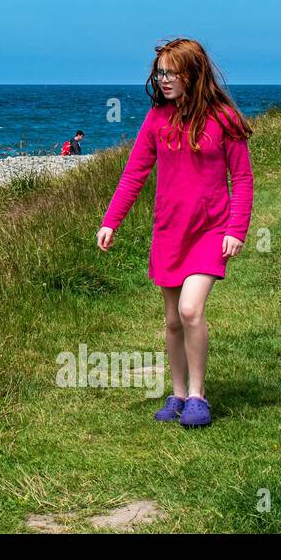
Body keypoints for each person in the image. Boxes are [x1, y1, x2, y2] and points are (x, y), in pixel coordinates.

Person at [95, 38, 254, 428]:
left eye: (172, 72)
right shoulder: (156, 119)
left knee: (190, 310)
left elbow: (244, 178)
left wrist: (237, 229)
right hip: (169, 233)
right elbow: (135, 174)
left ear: (193, 73)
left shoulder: (224, 119)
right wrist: (110, 220)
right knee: (171, 320)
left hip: (209, 232)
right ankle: (178, 394)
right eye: (160, 72)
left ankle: (199, 396)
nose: (164, 80)